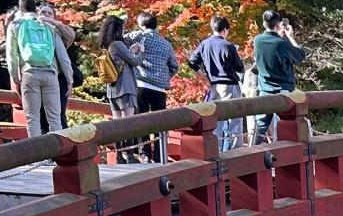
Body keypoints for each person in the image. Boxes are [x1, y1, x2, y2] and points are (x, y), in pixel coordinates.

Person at [4, 0, 73, 140]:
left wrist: (16, 78)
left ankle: (38, 157)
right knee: (55, 117)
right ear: (35, 9)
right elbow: (62, 55)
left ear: (20, 9)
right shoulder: (47, 26)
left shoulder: (15, 26)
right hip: (50, 74)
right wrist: (69, 79)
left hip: (29, 73)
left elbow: (11, 55)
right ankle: (57, 153)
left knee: (32, 117)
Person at [248, 9, 307, 143]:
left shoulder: (257, 40)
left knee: (261, 126)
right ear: (278, 25)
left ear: (264, 24)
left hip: (264, 90)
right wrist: (290, 36)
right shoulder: (282, 43)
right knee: (287, 125)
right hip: (283, 90)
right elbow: (300, 56)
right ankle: (287, 158)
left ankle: (253, 154)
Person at [188, 15, 245, 152]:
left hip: (213, 85)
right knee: (234, 120)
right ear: (225, 29)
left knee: (216, 120)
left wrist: (203, 75)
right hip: (229, 85)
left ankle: (215, 149)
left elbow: (192, 61)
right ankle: (235, 151)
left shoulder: (204, 44)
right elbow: (239, 67)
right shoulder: (228, 46)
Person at [130, 11, 180, 160]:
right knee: (160, 123)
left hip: (141, 84)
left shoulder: (138, 37)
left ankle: (144, 153)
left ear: (141, 25)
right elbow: (174, 66)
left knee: (142, 121)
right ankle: (160, 155)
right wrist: (165, 76)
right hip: (159, 88)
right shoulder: (166, 44)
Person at [95, 14, 143, 162]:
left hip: (112, 89)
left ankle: (118, 154)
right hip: (125, 87)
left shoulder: (107, 46)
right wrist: (141, 51)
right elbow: (134, 61)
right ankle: (128, 154)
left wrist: (130, 51)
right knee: (128, 122)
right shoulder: (118, 44)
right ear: (118, 29)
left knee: (116, 122)